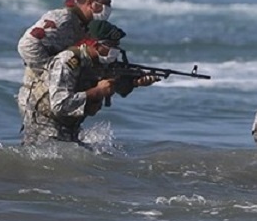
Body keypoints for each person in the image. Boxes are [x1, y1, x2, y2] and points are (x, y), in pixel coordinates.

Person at [20, 20, 157, 145]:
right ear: (95, 45)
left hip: (70, 126)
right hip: (44, 124)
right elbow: (59, 104)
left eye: (117, 46)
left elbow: (115, 86)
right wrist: (97, 92)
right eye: (111, 46)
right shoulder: (68, 62)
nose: (115, 51)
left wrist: (136, 82)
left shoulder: (102, 62)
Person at [17, 0, 116, 116]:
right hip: (41, 99)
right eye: (104, 4)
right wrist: (52, 73)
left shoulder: (87, 26)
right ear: (90, 2)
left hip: (61, 100)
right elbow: (27, 45)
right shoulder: (62, 20)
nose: (108, 9)